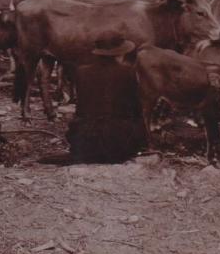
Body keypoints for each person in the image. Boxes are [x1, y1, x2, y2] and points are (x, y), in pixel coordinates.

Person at [46, 36, 146, 164]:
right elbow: (135, 107)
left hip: (87, 139)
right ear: (119, 54)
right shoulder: (128, 72)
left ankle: (90, 153)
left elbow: (81, 109)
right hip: (119, 141)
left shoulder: (82, 72)